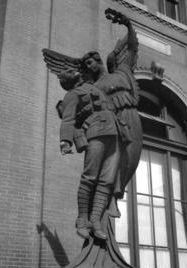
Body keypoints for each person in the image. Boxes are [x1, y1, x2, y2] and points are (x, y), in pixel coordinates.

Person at [82, 11, 143, 207]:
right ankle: (105, 206)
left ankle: (115, 195)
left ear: (99, 60)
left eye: (90, 62)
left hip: (130, 115)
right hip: (112, 123)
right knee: (108, 166)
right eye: (85, 65)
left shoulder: (122, 71)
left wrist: (128, 25)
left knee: (130, 159)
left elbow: (132, 45)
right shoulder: (94, 86)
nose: (88, 66)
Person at [58, 68, 120, 240]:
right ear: (67, 81)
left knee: (107, 181)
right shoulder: (72, 94)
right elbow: (68, 118)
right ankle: (82, 220)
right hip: (96, 132)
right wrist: (65, 140)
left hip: (113, 133)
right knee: (89, 178)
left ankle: (95, 220)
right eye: (68, 71)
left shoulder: (94, 87)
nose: (74, 69)